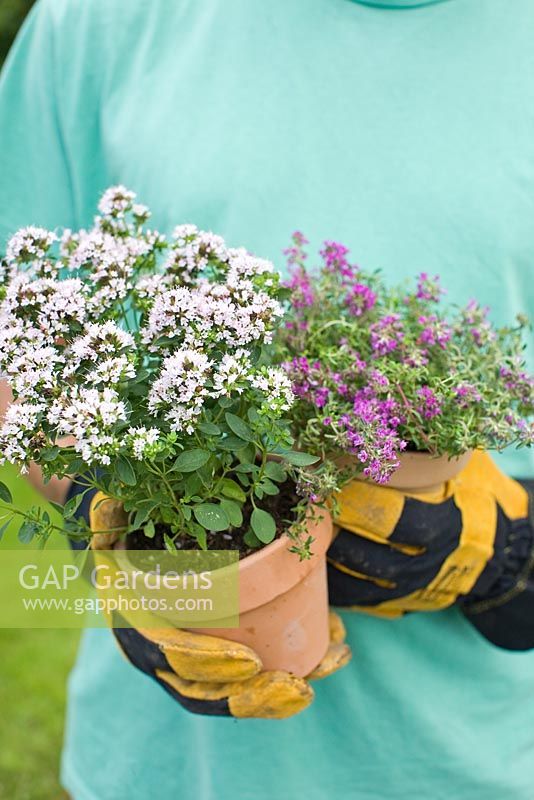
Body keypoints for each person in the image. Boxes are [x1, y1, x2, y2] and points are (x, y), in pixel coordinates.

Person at [1, 0, 533, 798]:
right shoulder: (98, 19)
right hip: (163, 774)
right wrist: (88, 505)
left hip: (474, 766)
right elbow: (14, 338)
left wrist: (513, 556)